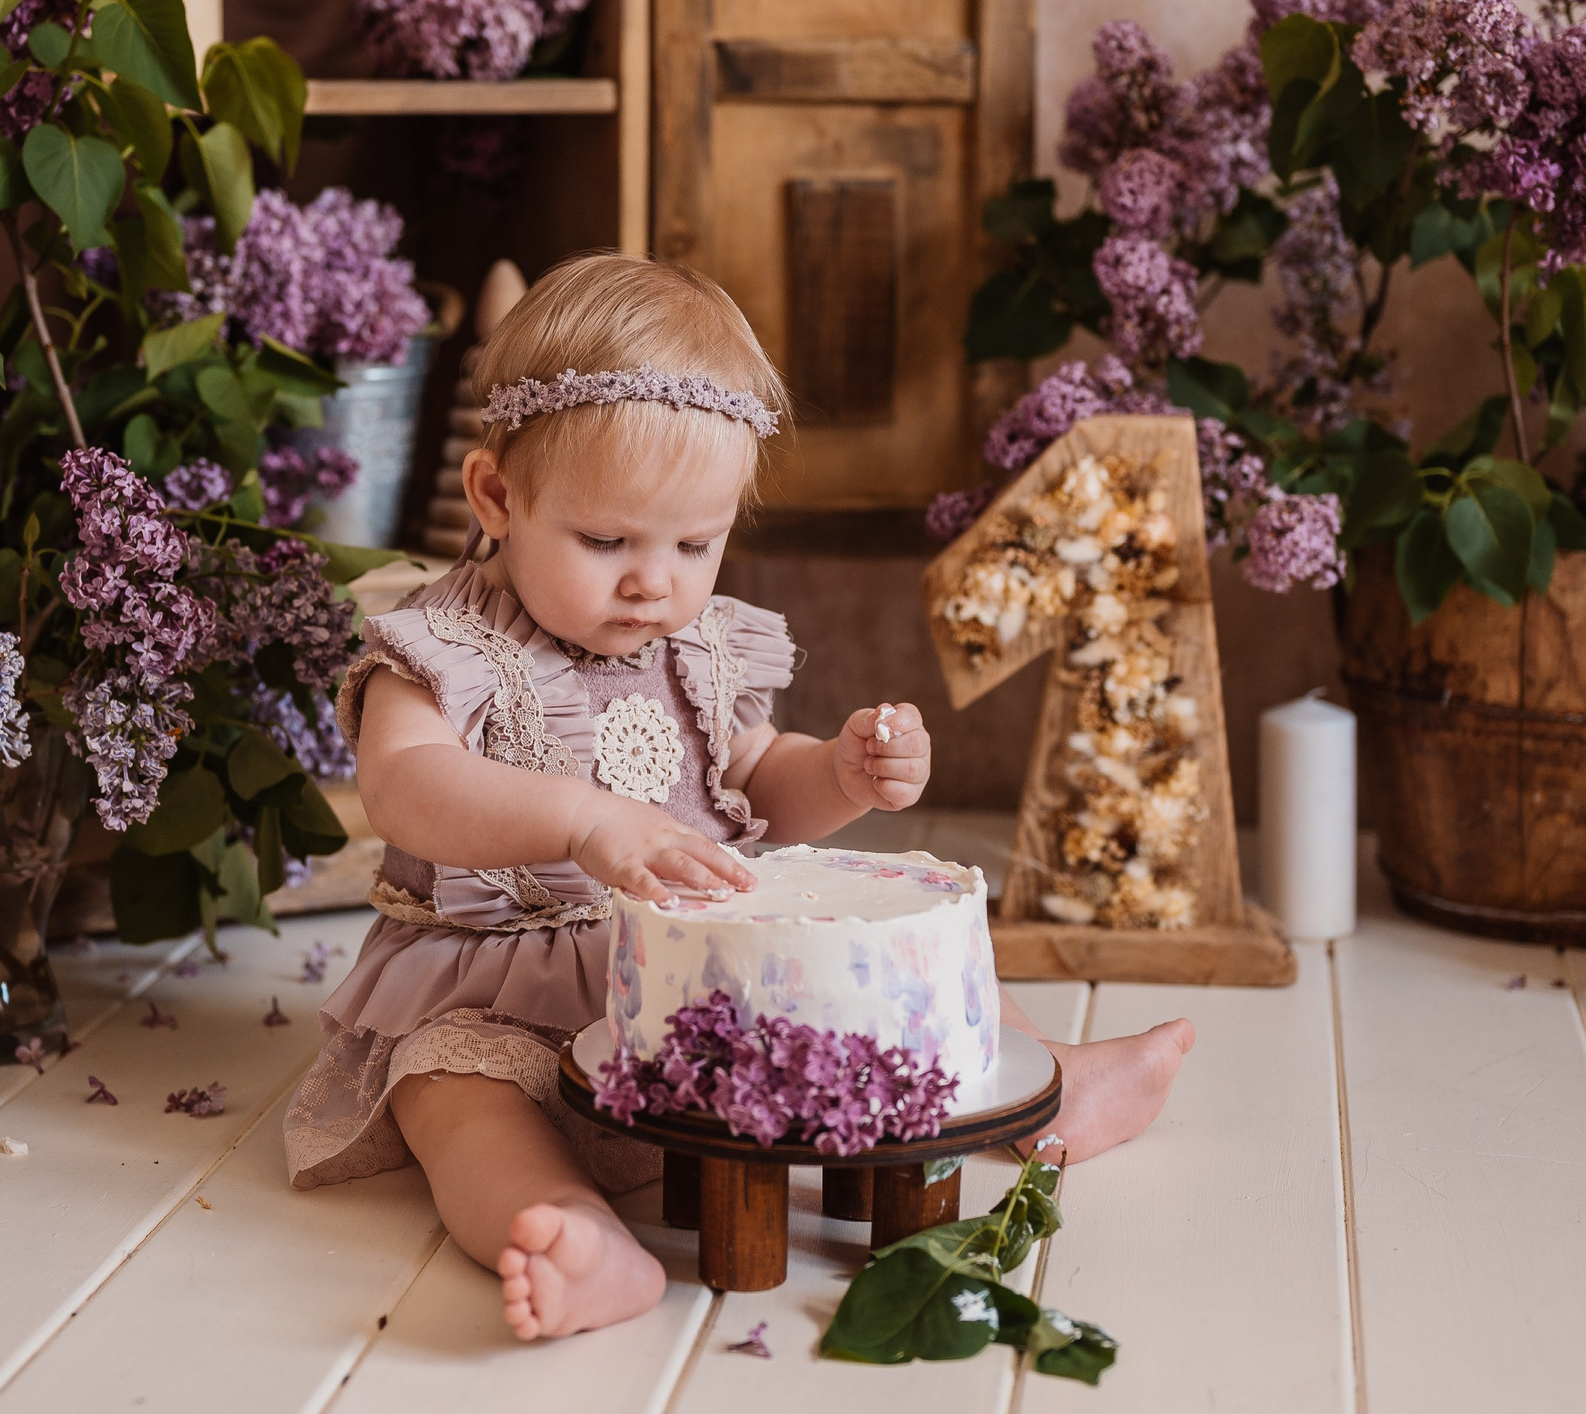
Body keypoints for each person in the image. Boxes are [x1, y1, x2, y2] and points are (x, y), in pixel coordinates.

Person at [283, 254, 1193, 1340]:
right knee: (460, 1106)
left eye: (694, 542)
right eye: (606, 540)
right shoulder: (441, 650)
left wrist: (839, 775)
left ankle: (1048, 1088)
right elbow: (405, 788)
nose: (652, 580)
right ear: (497, 497)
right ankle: (571, 1231)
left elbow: (757, 784)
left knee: (887, 980)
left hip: (705, 980)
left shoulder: (697, 650)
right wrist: (581, 818)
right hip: (497, 989)